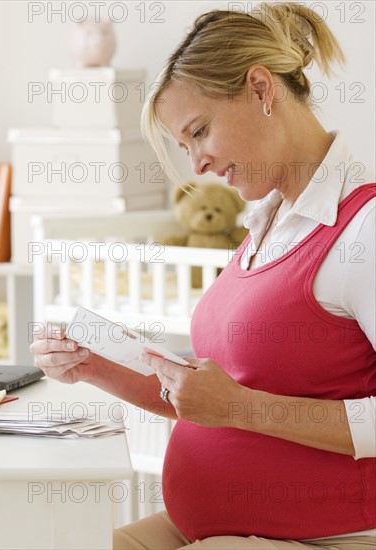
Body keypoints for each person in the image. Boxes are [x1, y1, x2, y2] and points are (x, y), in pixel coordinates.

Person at [30, 2, 375, 549]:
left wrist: (239, 407)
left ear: (262, 90)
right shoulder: (265, 226)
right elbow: (205, 400)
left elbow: (236, 404)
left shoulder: (364, 231)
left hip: (319, 536)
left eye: (200, 132)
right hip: (209, 525)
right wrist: (94, 367)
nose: (198, 166)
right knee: (59, 539)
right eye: (183, 147)